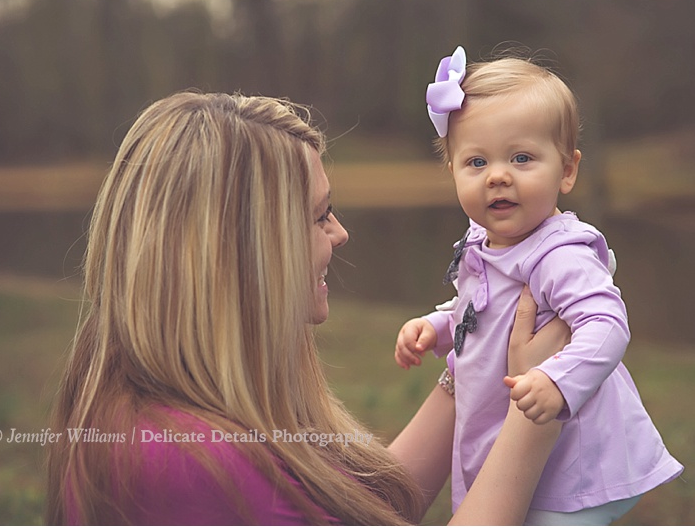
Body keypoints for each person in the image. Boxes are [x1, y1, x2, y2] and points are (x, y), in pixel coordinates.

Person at [49, 87, 570, 526]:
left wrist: (473, 359)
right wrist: (533, 418)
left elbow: (363, 509)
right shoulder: (180, 464)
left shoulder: (200, 410)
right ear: (241, 250)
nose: (340, 234)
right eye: (319, 216)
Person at [396, 49, 684, 526]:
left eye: (522, 157)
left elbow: (607, 323)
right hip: (507, 435)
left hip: (576, 462)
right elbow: (480, 311)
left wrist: (558, 379)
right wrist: (436, 326)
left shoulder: (558, 253)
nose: (498, 175)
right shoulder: (481, 242)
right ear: (452, 173)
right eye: (476, 161)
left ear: (567, 170)